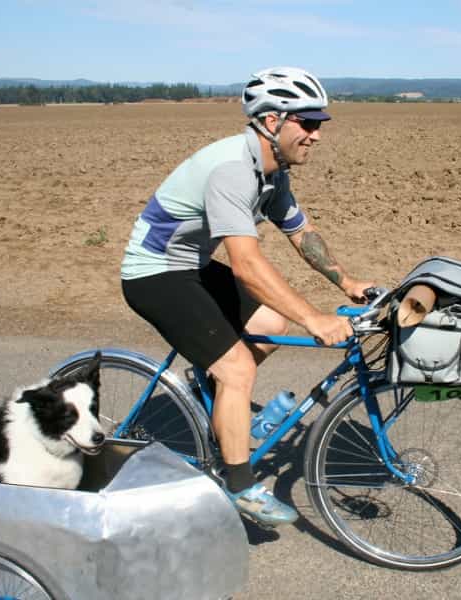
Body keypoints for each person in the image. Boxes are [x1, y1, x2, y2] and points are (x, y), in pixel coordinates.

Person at [120, 67, 374, 527]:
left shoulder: (273, 174)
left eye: (320, 124)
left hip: (191, 265)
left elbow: (302, 234)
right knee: (237, 367)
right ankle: (238, 485)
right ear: (273, 122)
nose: (317, 134)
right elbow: (247, 265)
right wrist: (315, 318)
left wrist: (347, 282)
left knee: (271, 325)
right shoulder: (233, 171)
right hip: (154, 272)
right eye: (308, 122)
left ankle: (217, 400)